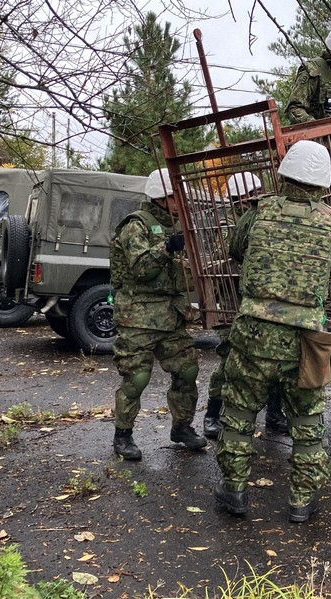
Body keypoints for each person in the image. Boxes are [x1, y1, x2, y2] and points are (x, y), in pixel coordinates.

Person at [214, 140, 331, 521]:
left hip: (253, 332)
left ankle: (234, 491)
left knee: (240, 411)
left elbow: (235, 248)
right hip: (304, 338)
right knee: (307, 419)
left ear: (284, 174)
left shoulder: (259, 212)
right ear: (322, 181)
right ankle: (301, 502)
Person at [109, 168, 207, 460]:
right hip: (138, 316)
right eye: (177, 196)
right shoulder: (135, 226)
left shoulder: (176, 225)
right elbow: (141, 270)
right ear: (162, 197)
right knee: (136, 378)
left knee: (187, 371)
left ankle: (182, 427)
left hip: (170, 314)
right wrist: (166, 248)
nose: (183, 201)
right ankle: (123, 435)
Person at [203, 173, 289, 438]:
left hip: (263, 300)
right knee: (230, 359)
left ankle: (274, 415)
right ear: (240, 198)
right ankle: (212, 415)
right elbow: (223, 256)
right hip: (234, 302)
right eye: (255, 193)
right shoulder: (229, 223)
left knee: (274, 359)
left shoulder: (269, 216)